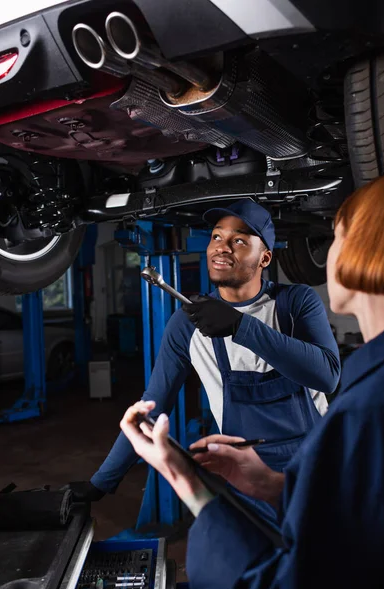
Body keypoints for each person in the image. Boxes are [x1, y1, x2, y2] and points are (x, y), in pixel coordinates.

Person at [120, 173, 384, 589]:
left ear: (371, 250)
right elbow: (352, 521)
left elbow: (284, 588)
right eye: (217, 237)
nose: (329, 250)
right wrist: (271, 486)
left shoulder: (374, 407)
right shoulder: (379, 382)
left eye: (336, 234)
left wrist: (187, 483)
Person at [69, 198, 339, 508]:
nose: (222, 247)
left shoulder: (295, 303)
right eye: (216, 237)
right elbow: (152, 407)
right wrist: (100, 484)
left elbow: (327, 375)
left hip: (318, 465)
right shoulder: (187, 324)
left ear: (264, 258)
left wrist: (240, 326)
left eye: (239, 240)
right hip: (246, 476)